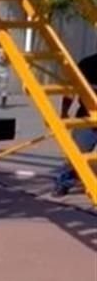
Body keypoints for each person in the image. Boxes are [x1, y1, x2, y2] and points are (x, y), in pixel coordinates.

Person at [52, 50, 97, 197]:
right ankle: (64, 182)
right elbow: (71, 90)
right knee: (77, 153)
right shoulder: (87, 64)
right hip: (87, 117)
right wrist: (64, 111)